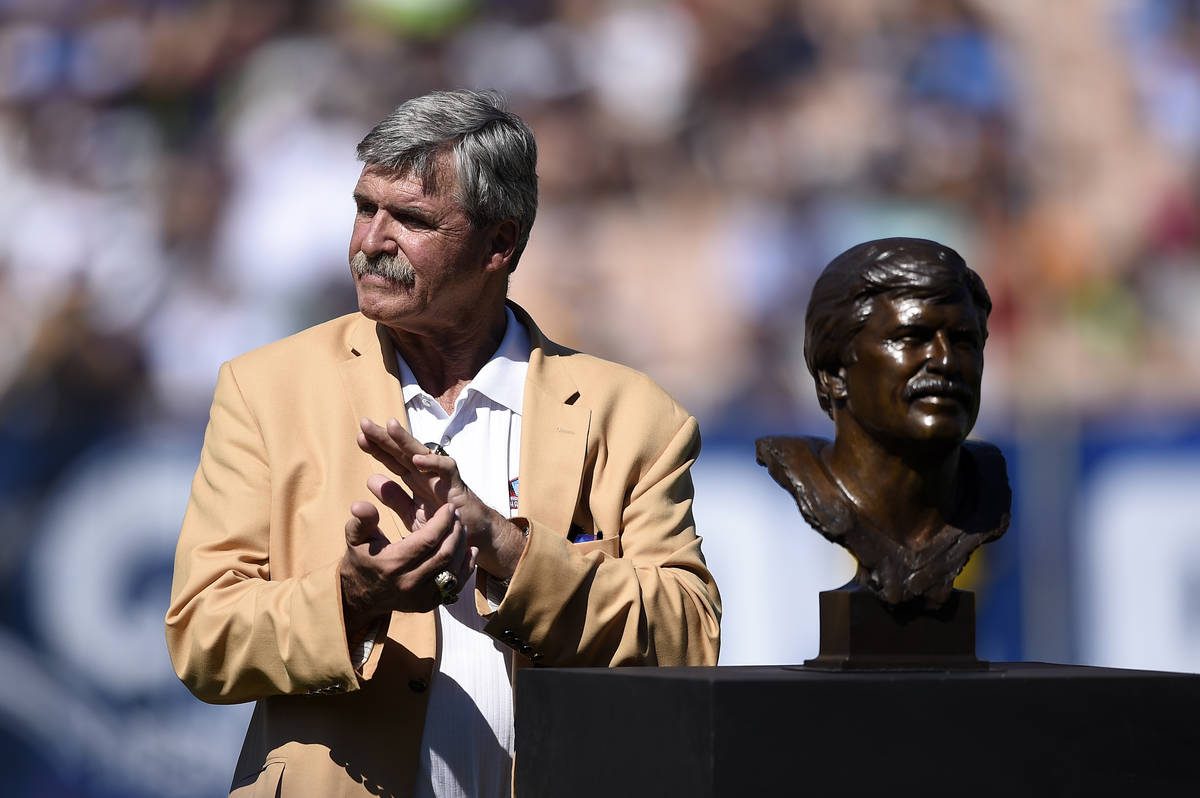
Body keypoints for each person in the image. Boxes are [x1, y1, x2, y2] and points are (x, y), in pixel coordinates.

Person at [165, 89, 721, 798]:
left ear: (500, 243)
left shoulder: (633, 415)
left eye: (412, 220)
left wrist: (512, 554)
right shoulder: (264, 390)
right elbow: (202, 639)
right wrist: (350, 598)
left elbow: (688, 635)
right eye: (366, 208)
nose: (371, 243)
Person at [756, 237, 1010, 606]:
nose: (945, 361)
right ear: (833, 373)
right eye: (911, 338)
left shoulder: (985, 489)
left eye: (965, 342)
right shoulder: (807, 475)